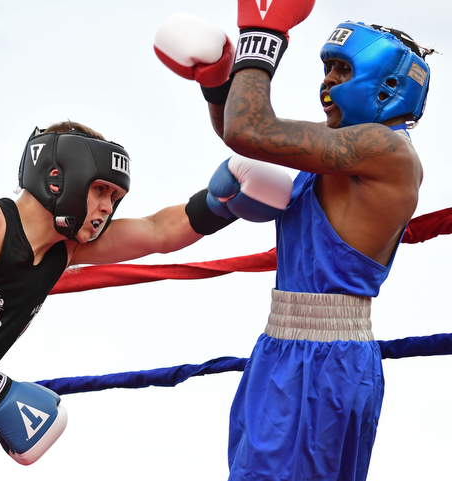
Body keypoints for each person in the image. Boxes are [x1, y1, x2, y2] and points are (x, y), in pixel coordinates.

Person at [0, 119, 296, 480]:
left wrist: (222, 202)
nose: (107, 206)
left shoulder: (65, 249)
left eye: (115, 197)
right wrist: (0, 396)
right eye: (101, 189)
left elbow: (159, 232)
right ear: (59, 176)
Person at [154, 2, 435, 480]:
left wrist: (263, 33)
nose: (327, 82)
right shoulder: (341, 153)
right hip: (282, 349)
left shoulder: (385, 151)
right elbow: (239, 132)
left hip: (326, 361)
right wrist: (218, 83)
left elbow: (251, 130)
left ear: (388, 85)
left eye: (342, 70)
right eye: (326, 69)